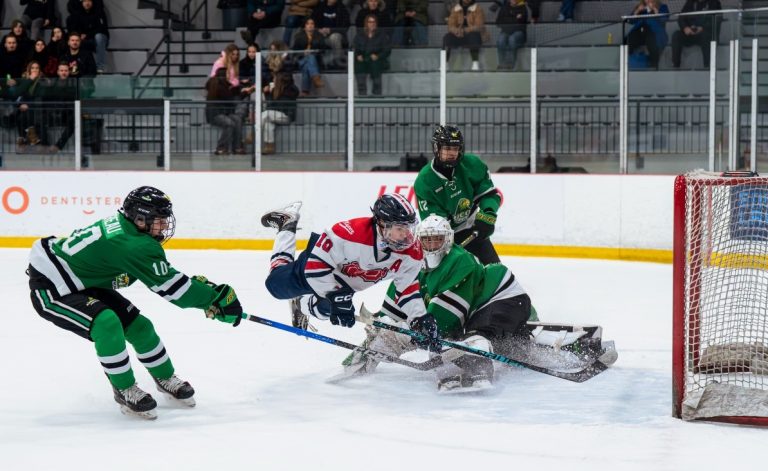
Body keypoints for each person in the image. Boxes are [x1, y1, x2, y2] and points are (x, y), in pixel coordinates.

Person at [26, 186, 243, 419]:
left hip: (82, 280)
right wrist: (215, 298)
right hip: (52, 287)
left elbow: (130, 274)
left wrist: (195, 289)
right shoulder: (134, 244)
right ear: (140, 218)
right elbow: (175, 291)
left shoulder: (127, 229)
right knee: (106, 323)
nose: (163, 226)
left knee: (141, 327)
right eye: (159, 220)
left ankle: (165, 377)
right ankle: (123, 387)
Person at [343, 214, 535, 392]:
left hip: (502, 297)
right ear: (418, 239)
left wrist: (404, 336)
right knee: (506, 346)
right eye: (427, 239)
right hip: (475, 311)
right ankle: (526, 347)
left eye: (437, 239)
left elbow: (444, 323)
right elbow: (391, 314)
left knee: (472, 338)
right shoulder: (410, 264)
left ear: (448, 239)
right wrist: (375, 341)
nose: (432, 244)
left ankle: (479, 370)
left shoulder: (460, 260)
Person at [260, 194, 441, 351]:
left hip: (347, 283)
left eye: (409, 228)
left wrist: (419, 319)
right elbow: (316, 267)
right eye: (400, 229)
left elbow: (407, 288)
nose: (406, 235)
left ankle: (302, 303)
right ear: (382, 224)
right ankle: (287, 224)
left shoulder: (412, 252)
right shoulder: (347, 234)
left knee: (327, 310)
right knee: (275, 286)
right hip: (319, 265)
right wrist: (334, 295)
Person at [414, 125, 501, 265]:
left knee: (495, 270)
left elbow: (489, 195)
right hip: (445, 236)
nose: (452, 153)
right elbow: (435, 223)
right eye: (447, 148)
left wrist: (488, 215)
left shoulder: (471, 165)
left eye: (455, 149)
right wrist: (447, 245)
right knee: (450, 280)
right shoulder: (425, 181)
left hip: (473, 227)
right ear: (437, 149)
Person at [205, 68, 247, 155]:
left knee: (237, 120)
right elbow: (231, 100)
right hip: (215, 114)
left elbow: (230, 95)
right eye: (228, 74)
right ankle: (221, 148)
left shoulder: (222, 85)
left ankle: (237, 147)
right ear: (224, 75)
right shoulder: (220, 86)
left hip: (224, 112)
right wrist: (244, 93)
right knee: (229, 124)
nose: (230, 76)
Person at [671, 0, 721, 68]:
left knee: (706, 36)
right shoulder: (690, 2)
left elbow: (716, 20)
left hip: (706, 34)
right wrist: (685, 28)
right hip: (691, 34)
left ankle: (707, 68)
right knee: (676, 35)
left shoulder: (714, 3)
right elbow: (681, 18)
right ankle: (675, 66)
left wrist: (702, 28)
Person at [66, 0, 110, 73]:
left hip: (99, 39)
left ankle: (100, 67)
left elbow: (102, 28)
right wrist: (80, 35)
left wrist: (87, 35)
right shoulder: (78, 14)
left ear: (92, 2)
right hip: (86, 39)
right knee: (75, 40)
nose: (87, 3)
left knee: (99, 37)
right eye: (85, 1)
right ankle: (79, 69)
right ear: (82, 3)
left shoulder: (99, 12)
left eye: (89, 1)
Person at [444, 0, 489, 71]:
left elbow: (478, 26)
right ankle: (445, 63)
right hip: (459, 34)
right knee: (447, 38)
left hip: (473, 34)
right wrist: (456, 31)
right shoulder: (455, 9)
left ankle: (475, 63)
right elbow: (451, 25)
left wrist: (464, 30)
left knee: (474, 36)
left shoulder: (478, 9)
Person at [261, 71, 299, 155]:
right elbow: (270, 105)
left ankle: (253, 133)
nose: (273, 80)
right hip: (275, 115)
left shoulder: (290, 90)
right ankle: (269, 147)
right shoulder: (275, 90)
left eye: (274, 79)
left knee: (266, 114)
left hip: (286, 116)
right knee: (267, 123)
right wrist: (268, 93)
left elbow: (280, 105)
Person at [44, 62, 78, 153]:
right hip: (53, 113)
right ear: (58, 72)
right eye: (61, 70)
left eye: (66, 71)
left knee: (75, 120)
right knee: (38, 116)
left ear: (69, 72)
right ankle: (45, 146)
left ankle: (58, 146)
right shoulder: (52, 84)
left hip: (67, 114)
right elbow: (47, 100)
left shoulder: (74, 84)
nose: (63, 72)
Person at [353, 14, 390, 96]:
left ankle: (377, 96)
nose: (372, 24)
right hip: (363, 60)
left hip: (376, 60)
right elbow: (354, 48)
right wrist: (357, 55)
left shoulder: (382, 35)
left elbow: (387, 50)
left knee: (376, 67)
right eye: (370, 22)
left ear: (376, 23)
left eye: (373, 22)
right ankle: (362, 96)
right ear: (366, 23)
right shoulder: (359, 35)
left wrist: (378, 56)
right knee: (358, 66)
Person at [625, 0, 669, 69]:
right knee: (630, 38)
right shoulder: (640, 7)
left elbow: (665, 19)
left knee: (652, 41)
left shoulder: (662, 6)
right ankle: (627, 62)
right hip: (641, 31)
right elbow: (630, 21)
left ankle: (654, 65)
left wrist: (654, 9)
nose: (648, 0)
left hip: (654, 32)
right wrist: (638, 10)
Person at [291, 17, 326, 96]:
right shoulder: (299, 36)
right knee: (309, 58)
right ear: (304, 26)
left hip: (315, 60)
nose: (310, 26)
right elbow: (294, 52)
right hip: (301, 59)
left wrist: (312, 51)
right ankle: (316, 78)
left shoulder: (319, 35)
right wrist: (303, 53)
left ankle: (305, 91)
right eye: (308, 24)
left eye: (312, 24)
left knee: (307, 65)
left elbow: (323, 49)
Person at [311, 0, 351, 69]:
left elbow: (345, 27)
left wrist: (330, 30)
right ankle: (319, 63)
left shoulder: (341, 8)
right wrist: (319, 30)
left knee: (334, 37)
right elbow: (312, 22)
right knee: (315, 39)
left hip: (337, 35)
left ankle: (338, 62)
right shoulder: (320, 7)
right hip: (321, 35)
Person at [495, 0, 527, 70]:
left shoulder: (523, 8)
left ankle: (512, 64)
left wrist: (507, 20)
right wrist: (515, 18)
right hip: (506, 31)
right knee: (500, 40)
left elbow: (521, 24)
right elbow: (498, 22)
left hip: (519, 32)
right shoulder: (504, 8)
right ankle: (502, 64)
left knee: (512, 39)